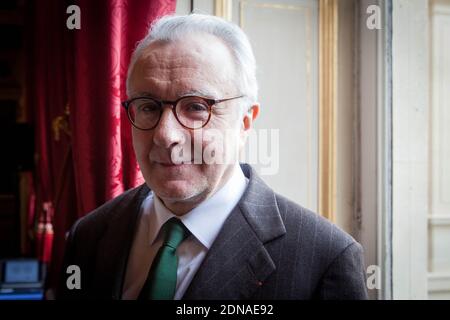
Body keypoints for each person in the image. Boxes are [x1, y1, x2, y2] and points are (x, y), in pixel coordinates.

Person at [58, 13, 368, 300]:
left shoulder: (324, 260)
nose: (166, 135)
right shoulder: (88, 238)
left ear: (245, 122)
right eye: (149, 106)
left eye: (196, 107)